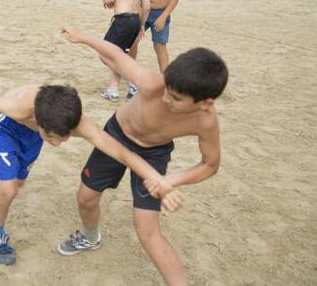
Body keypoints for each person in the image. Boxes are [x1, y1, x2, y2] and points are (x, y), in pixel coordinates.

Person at [0, 84, 183, 266]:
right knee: (8, 189)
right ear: (39, 121)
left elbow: (119, 150)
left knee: (18, 182)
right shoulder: (18, 107)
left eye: (62, 139)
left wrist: (157, 180)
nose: (56, 143)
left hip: (30, 137)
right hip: (7, 126)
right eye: (52, 137)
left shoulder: (74, 121)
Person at [59, 27, 227, 286]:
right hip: (116, 136)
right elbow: (115, 54)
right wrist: (82, 38)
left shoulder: (205, 121)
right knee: (86, 197)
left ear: (205, 102)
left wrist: (171, 181)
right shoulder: (154, 84)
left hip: (154, 154)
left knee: (147, 230)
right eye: (167, 89)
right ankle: (91, 237)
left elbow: (210, 164)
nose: (165, 97)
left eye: (176, 98)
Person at [100, 0, 150, 102]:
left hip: (122, 20)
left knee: (104, 55)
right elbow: (147, 6)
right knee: (119, 55)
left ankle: (133, 82)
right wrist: (142, 26)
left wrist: (107, 0)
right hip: (136, 20)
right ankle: (113, 89)